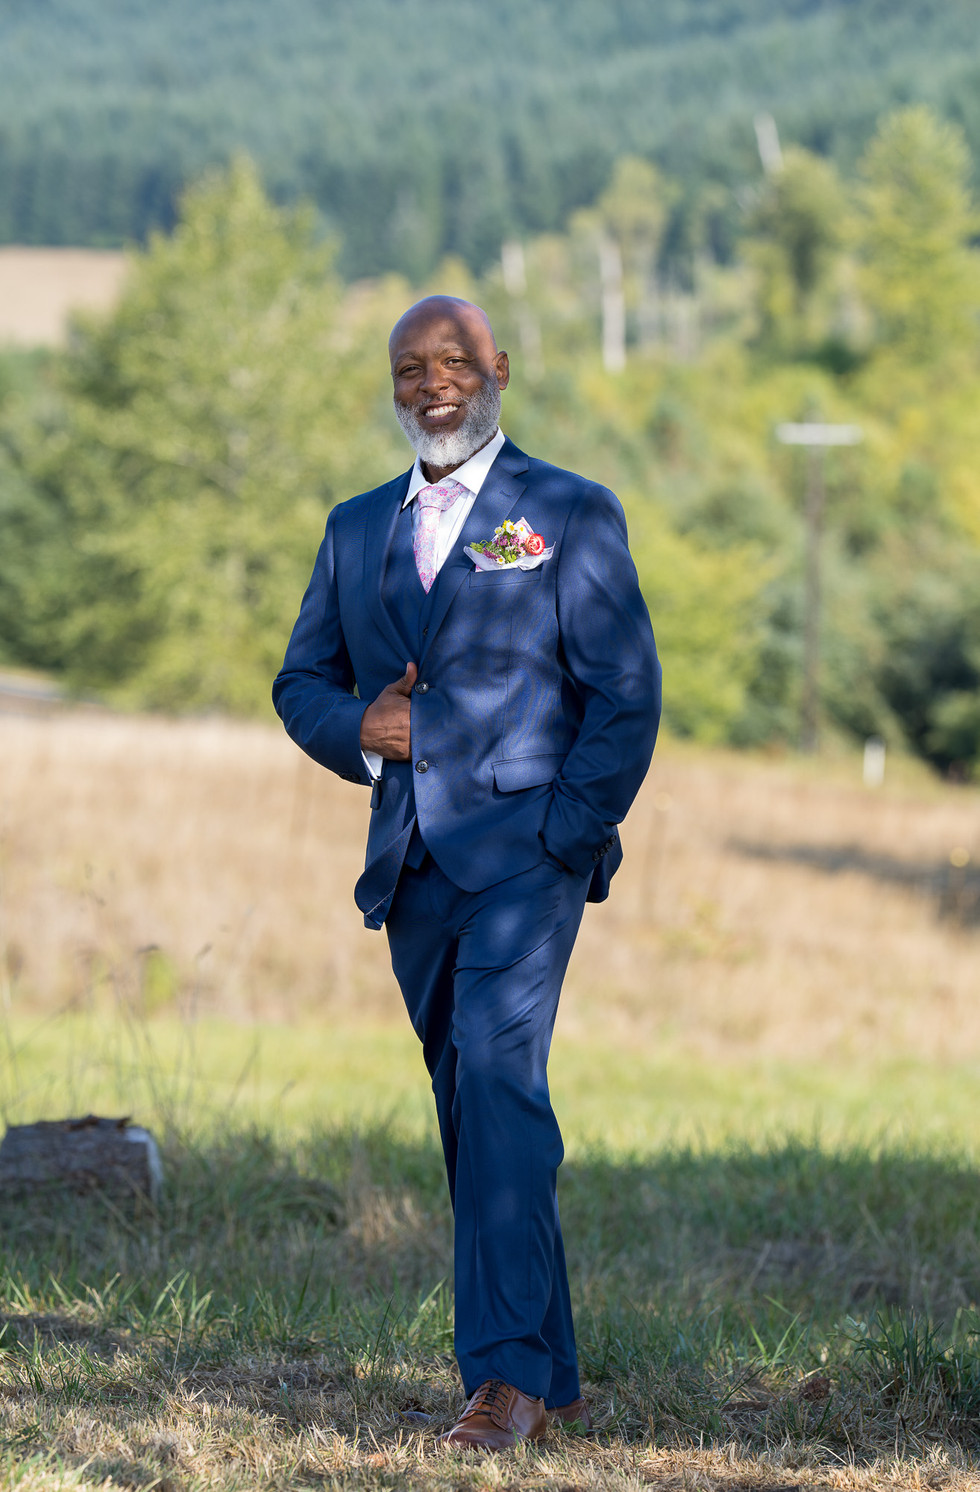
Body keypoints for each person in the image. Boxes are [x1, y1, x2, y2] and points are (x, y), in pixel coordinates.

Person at [273, 295, 661, 1449]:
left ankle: (499, 1384)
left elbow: (624, 696)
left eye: (451, 361)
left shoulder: (568, 512)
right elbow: (300, 683)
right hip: (413, 868)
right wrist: (362, 726)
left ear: (497, 367)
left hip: (530, 859)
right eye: (407, 368)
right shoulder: (352, 529)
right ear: (391, 387)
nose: (430, 383)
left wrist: (566, 836)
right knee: (469, 1106)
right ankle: (552, 1362)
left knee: (497, 1080)